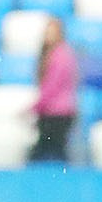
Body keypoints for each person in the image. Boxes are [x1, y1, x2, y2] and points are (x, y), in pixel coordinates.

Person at [30, 17, 78, 163]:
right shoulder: (52, 54)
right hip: (54, 112)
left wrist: (34, 107)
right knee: (55, 151)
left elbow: (51, 87)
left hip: (56, 113)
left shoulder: (60, 56)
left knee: (44, 151)